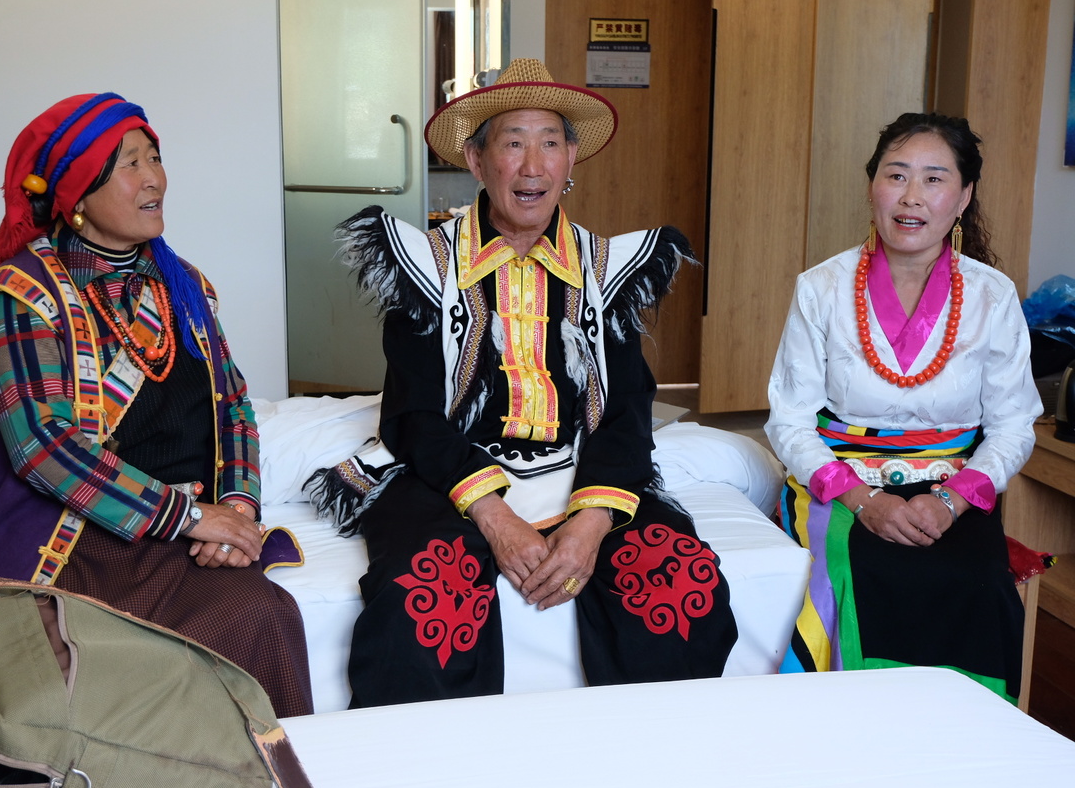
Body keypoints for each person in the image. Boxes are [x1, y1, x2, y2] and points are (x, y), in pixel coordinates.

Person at [308, 59, 738, 708]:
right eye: (513, 143)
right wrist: (495, 517)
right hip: (451, 475)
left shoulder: (607, 270)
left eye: (550, 143)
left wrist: (592, 521)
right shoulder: (426, 266)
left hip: (581, 467)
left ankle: (650, 754)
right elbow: (413, 415)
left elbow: (626, 409)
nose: (532, 166)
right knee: (424, 603)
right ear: (477, 162)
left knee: (681, 587)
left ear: (571, 161)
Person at [0, 93, 313, 717]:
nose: (153, 179)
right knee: (218, 631)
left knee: (267, 614)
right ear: (77, 196)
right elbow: (43, 449)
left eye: (155, 158)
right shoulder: (21, 295)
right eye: (128, 164)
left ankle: (273, 764)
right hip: (85, 534)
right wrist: (188, 518)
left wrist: (236, 511)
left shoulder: (183, 283)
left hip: (193, 524)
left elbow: (233, 406)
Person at [765, 112, 1042, 702]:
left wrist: (950, 501)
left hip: (953, 486)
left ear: (963, 197)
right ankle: (845, 730)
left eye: (934, 179)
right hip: (842, 483)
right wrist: (865, 501)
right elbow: (789, 420)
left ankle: (962, 738)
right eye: (896, 175)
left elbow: (1014, 425)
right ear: (873, 187)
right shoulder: (821, 287)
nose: (912, 196)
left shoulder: (992, 295)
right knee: (855, 576)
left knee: (977, 585)